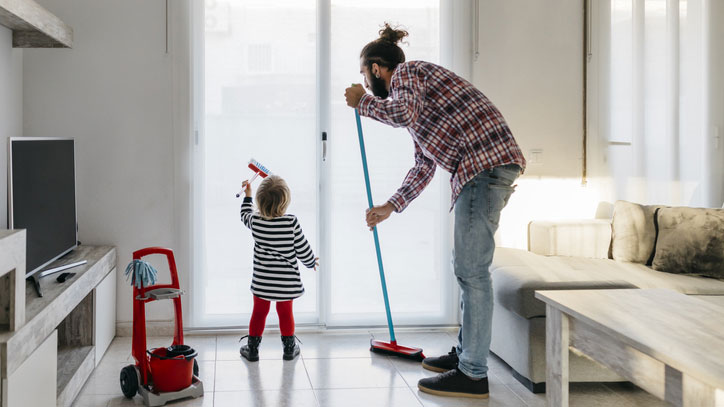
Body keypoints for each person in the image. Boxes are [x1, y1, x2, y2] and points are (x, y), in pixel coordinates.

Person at [344, 23, 526, 399]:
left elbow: (400, 112)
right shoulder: (417, 102)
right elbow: (423, 166)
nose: (365, 80)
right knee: (466, 269)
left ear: (378, 69)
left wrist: (362, 102)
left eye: (365, 74)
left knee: (471, 272)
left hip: (484, 166)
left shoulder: (410, 74)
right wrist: (389, 207)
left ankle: (473, 375)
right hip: (480, 169)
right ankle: (465, 357)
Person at [238, 175, 319, 361]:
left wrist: (247, 196)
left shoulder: (256, 222)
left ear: (259, 200)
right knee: (285, 313)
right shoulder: (291, 223)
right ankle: (289, 349)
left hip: (262, 283)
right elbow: (302, 248)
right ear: (285, 201)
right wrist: (310, 262)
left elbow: (244, 215)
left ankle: (252, 349)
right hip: (286, 283)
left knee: (259, 313)